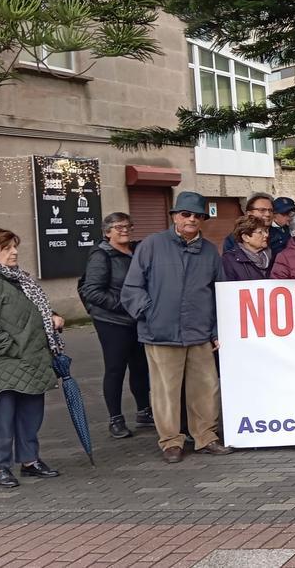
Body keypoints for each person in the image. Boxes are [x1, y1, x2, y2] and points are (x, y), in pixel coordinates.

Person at [120, 191, 233, 464]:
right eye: (186, 214)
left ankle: (206, 436)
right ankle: (171, 441)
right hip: (161, 333)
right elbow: (132, 287)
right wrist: (150, 314)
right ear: (174, 216)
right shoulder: (152, 245)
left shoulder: (210, 251)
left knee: (206, 388)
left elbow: (219, 293)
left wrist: (216, 330)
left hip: (199, 332)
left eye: (198, 216)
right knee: (165, 392)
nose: (191, 219)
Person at [0, 229, 63, 488]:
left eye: (15, 246)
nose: (14, 252)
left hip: (31, 359)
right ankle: (1, 467)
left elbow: (29, 310)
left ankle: (29, 461)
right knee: (3, 417)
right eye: (6, 248)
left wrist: (52, 316)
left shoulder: (19, 278)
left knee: (30, 414)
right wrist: (15, 349)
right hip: (2, 361)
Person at [78, 213, 152, 439]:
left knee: (140, 367)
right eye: (119, 227)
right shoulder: (101, 255)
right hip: (112, 321)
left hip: (136, 319)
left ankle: (144, 411)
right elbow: (92, 291)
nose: (125, 230)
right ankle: (115, 419)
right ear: (107, 232)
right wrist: (126, 305)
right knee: (115, 368)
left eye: (128, 226)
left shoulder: (137, 251)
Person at [222, 193, 288, 255]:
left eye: (270, 210)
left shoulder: (281, 236)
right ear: (249, 214)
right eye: (262, 210)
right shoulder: (234, 238)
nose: (268, 214)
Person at [221, 215, 274, 281]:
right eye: (260, 232)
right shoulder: (229, 260)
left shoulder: (273, 255)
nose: (266, 235)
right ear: (245, 237)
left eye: (266, 231)